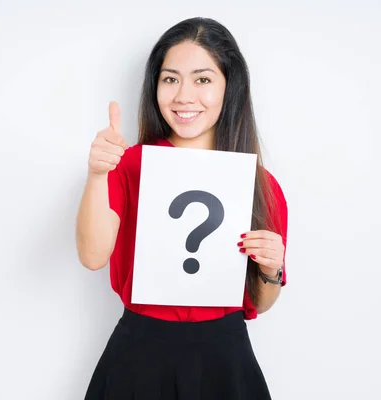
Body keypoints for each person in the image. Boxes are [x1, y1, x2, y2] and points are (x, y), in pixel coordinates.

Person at [76, 16, 288, 400]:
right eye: (170, 78)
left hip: (225, 355)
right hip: (139, 352)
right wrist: (96, 175)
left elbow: (261, 302)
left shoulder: (260, 184)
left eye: (203, 79)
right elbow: (92, 256)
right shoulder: (129, 164)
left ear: (230, 87)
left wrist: (272, 268)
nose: (183, 95)